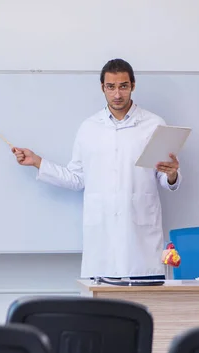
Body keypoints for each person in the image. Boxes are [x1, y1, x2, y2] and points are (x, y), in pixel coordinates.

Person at [12, 59, 181, 278]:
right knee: (103, 307)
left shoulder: (154, 124)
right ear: (103, 88)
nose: (117, 94)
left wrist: (172, 175)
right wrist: (37, 162)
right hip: (103, 242)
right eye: (111, 87)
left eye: (123, 86)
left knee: (145, 305)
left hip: (140, 243)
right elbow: (76, 179)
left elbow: (163, 176)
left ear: (133, 85)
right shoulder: (89, 128)